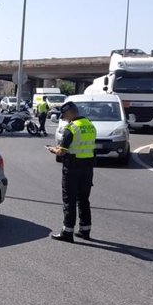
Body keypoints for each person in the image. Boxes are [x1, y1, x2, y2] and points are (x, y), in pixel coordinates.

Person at [47, 101, 96, 242]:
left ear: (70, 113)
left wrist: (52, 149)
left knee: (69, 200)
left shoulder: (72, 128)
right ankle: (85, 230)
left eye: (64, 115)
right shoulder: (90, 125)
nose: (64, 118)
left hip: (73, 168)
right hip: (88, 168)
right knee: (84, 199)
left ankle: (67, 232)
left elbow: (61, 152)